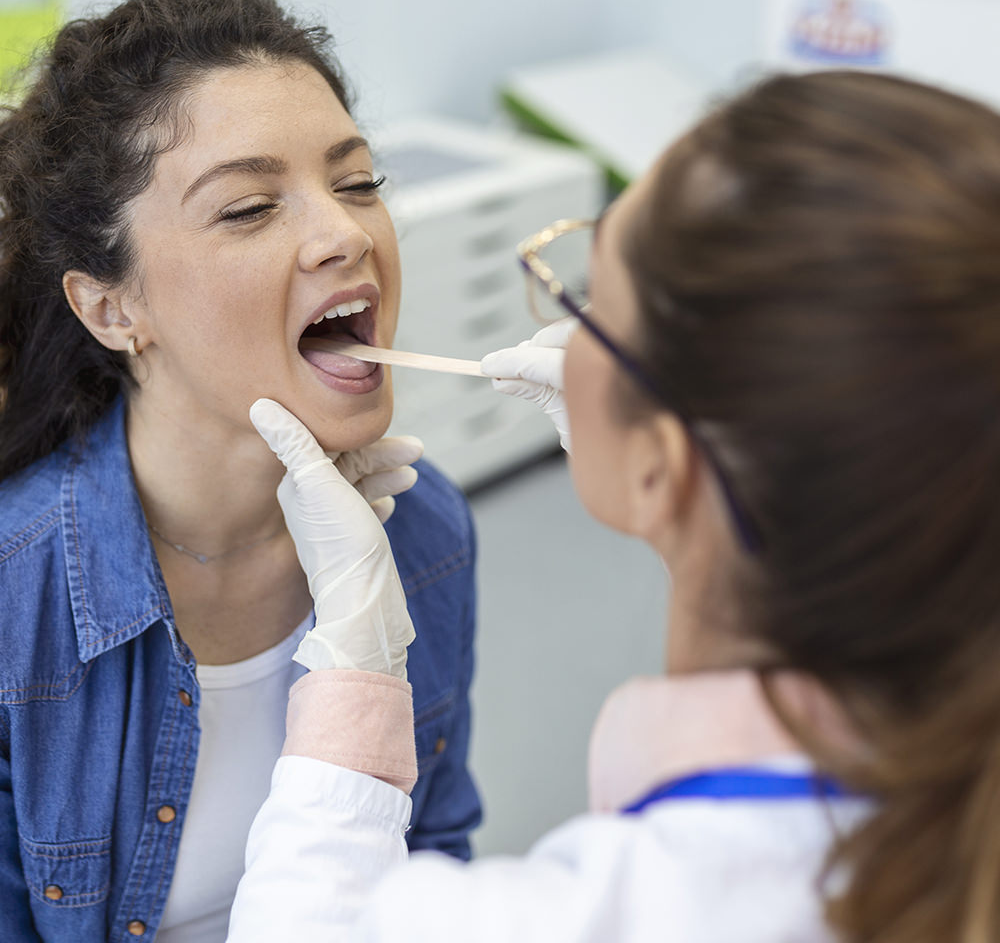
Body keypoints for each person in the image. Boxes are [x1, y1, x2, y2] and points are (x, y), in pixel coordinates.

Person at [227, 68, 1000, 943]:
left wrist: (356, 667)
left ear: (661, 463)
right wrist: (695, 508)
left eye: (592, 308)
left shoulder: (648, 907)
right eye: (247, 206)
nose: (343, 234)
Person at [0, 0, 481, 943]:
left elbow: (433, 858)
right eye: (250, 207)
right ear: (110, 307)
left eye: (357, 183)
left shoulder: (420, 528)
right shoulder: (16, 593)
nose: (346, 233)